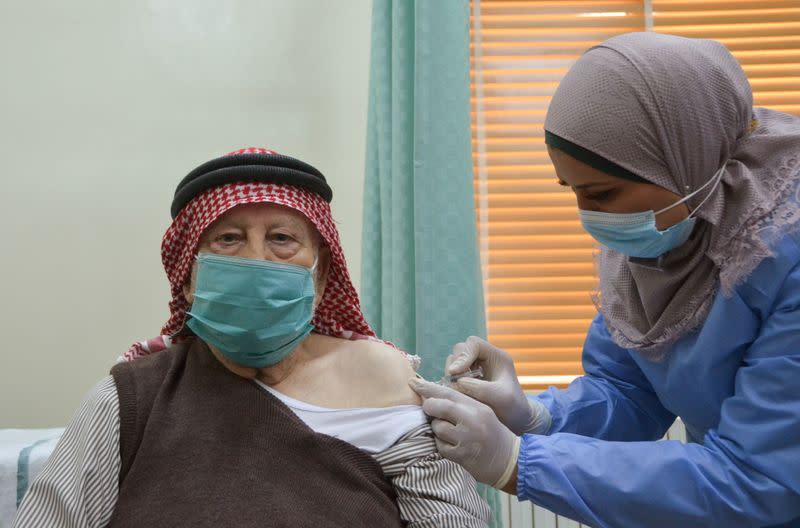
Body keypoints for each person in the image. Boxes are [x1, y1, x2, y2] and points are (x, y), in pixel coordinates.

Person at [410, 32, 800, 528]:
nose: (588, 217)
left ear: (688, 162)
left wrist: (518, 462)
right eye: (572, 191)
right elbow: (630, 391)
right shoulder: (661, 244)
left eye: (603, 194)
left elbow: (758, 479)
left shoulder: (785, 260)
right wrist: (534, 416)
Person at [14, 148, 489, 527]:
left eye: (282, 239)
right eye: (228, 240)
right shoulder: (131, 399)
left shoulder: (387, 386)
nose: (257, 261)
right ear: (188, 277)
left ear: (320, 277)